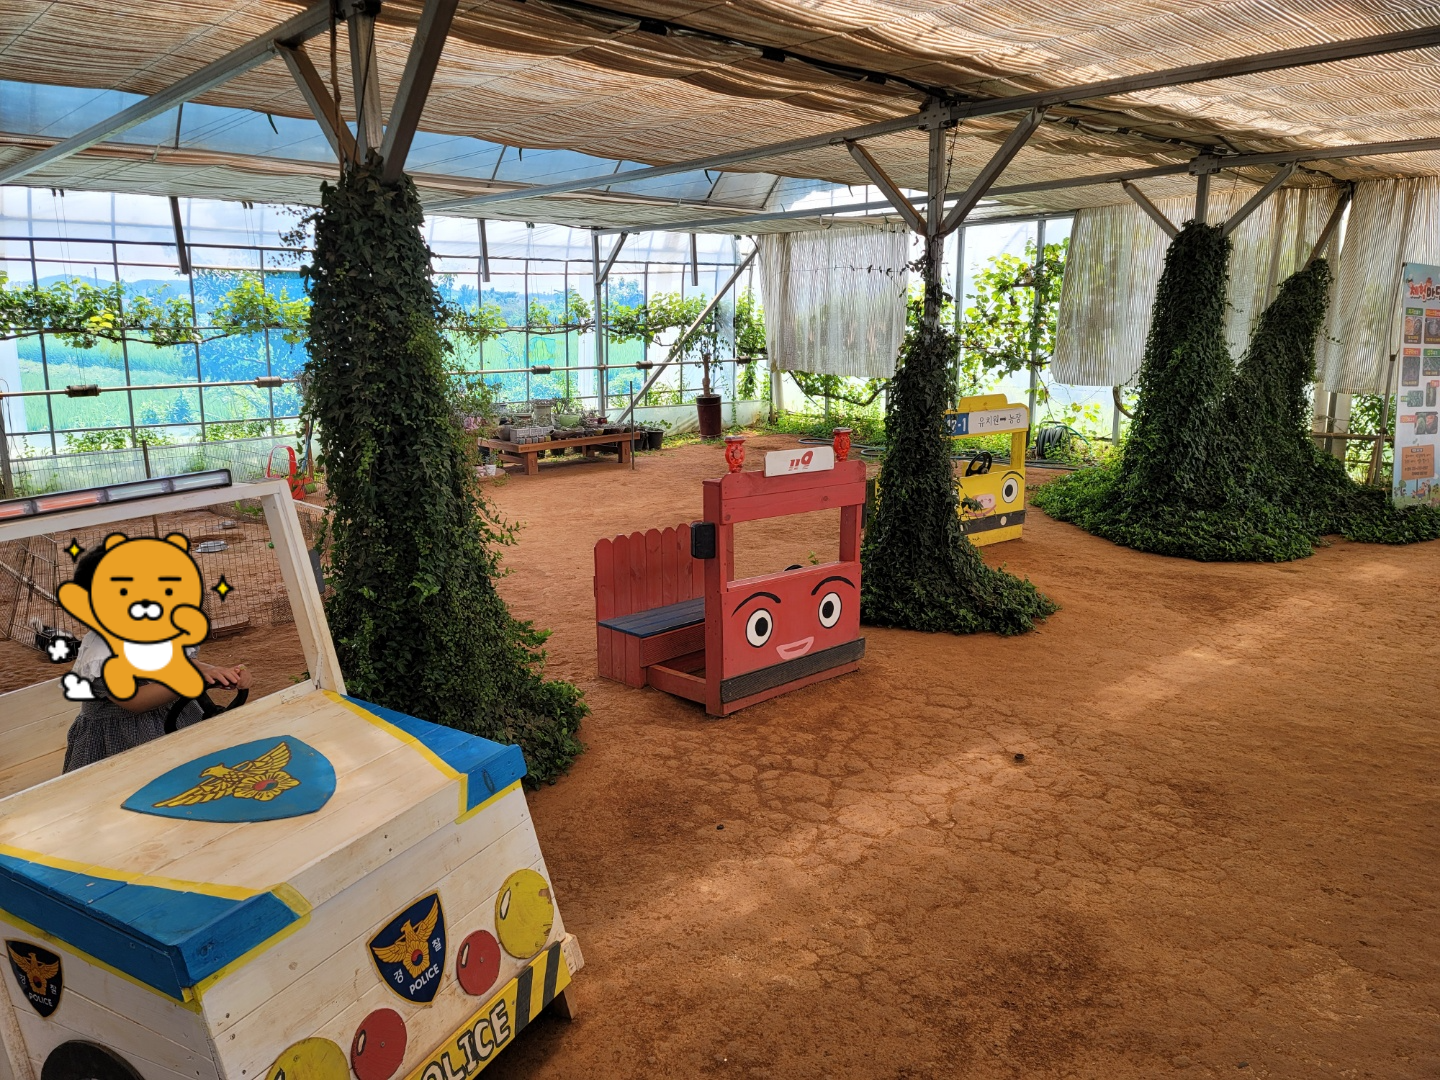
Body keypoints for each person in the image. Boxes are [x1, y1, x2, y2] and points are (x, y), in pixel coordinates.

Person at [62, 542, 252, 773]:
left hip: (174, 718)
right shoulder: (100, 652)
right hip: (120, 739)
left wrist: (215, 672)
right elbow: (135, 701)